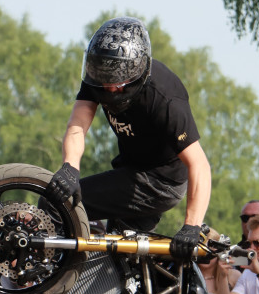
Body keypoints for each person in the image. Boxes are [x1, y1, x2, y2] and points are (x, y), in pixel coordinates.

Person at [45, 17, 211, 260]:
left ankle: (46, 270)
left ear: (137, 72)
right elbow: (77, 124)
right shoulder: (100, 73)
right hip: (131, 170)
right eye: (104, 81)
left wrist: (191, 226)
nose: (110, 89)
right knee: (114, 264)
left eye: (118, 83)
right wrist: (70, 166)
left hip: (160, 182)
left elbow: (199, 165)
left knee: (55, 204)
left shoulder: (165, 98)